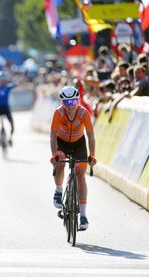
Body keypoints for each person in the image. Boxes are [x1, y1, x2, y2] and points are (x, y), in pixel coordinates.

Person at [50, 86, 97, 231]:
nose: (70, 106)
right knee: (61, 164)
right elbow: (52, 136)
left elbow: (90, 136)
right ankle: (58, 191)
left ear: (77, 101)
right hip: (62, 142)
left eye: (73, 101)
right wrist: (55, 153)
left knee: (81, 176)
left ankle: (83, 216)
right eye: (67, 102)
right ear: (62, 103)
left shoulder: (84, 113)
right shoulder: (58, 113)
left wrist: (92, 155)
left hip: (79, 144)